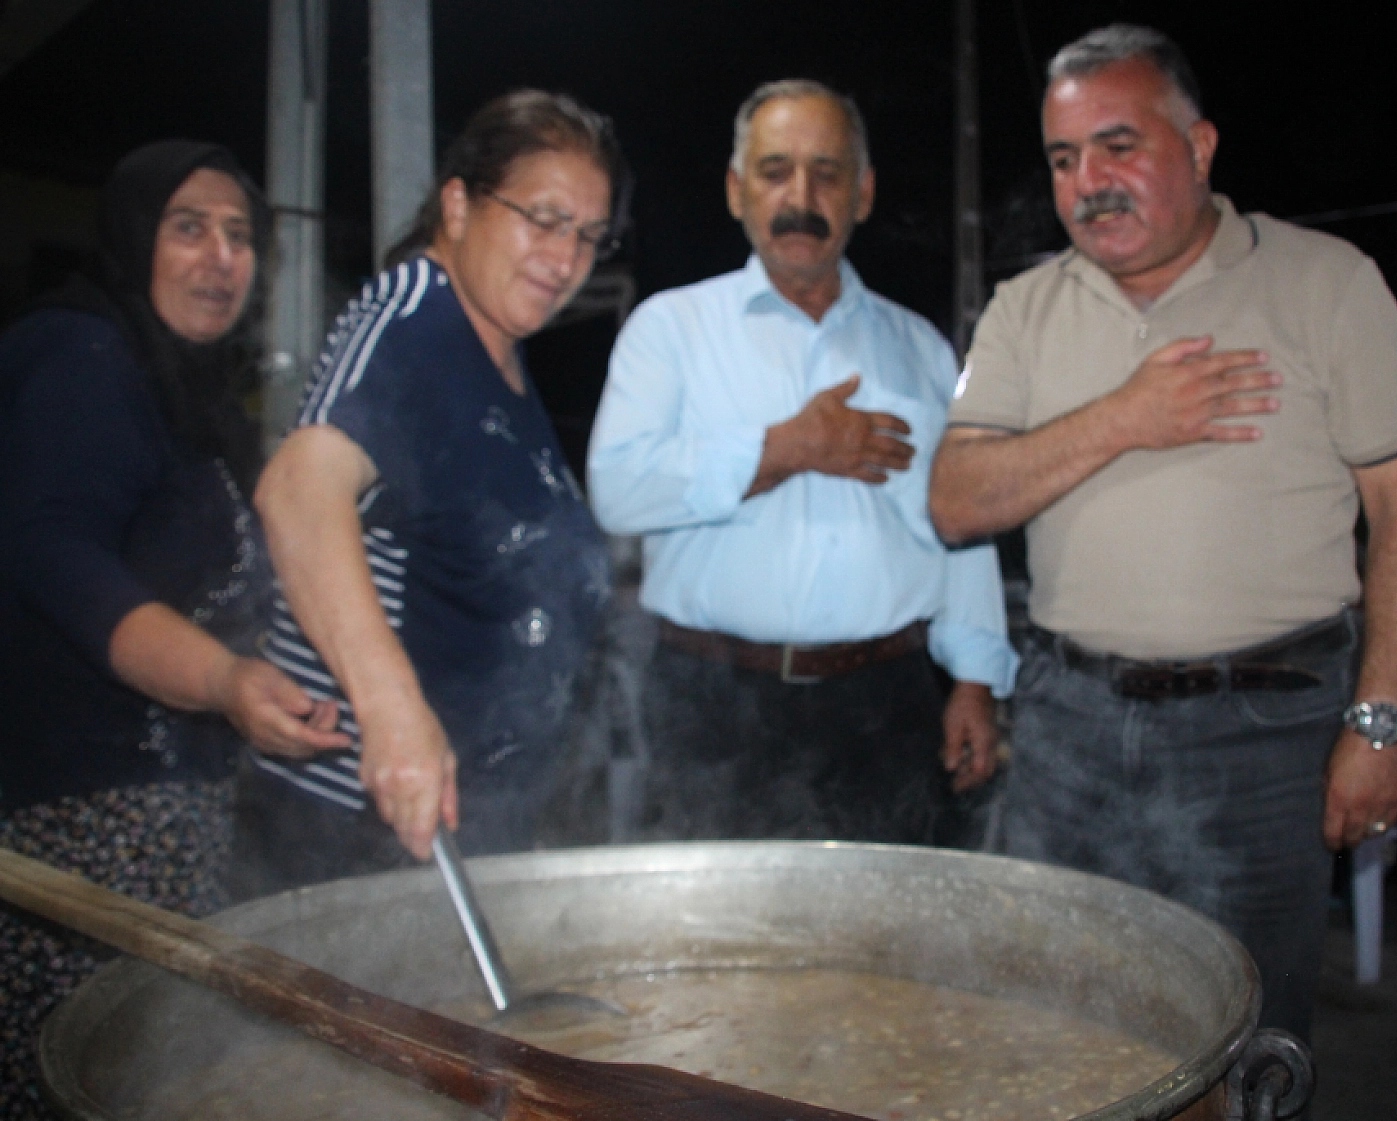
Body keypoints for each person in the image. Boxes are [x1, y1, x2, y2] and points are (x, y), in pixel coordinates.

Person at [928, 24, 1397, 1041]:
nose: (1087, 181)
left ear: (1199, 147)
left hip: (1260, 730)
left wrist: (1377, 724)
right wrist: (1123, 417)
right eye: (1063, 158)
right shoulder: (1024, 309)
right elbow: (955, 498)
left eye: (1117, 145)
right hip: (1068, 725)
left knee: (1239, 1033)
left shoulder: (1326, 281)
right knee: (1051, 1022)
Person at [0, 141, 345, 1120]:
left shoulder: (181, 393)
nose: (220, 257)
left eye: (239, 235)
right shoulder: (81, 353)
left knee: (155, 1078)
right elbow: (55, 557)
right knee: (80, 1076)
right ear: (131, 235)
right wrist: (226, 681)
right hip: (74, 822)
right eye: (188, 227)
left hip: (165, 809)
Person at [587, 80, 1016, 843]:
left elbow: (962, 525)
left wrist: (976, 678)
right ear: (735, 189)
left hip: (888, 704)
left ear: (864, 193)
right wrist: (785, 449)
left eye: (827, 172)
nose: (801, 196)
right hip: (714, 700)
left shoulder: (919, 346)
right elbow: (618, 489)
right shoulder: (671, 330)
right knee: (718, 943)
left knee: (885, 943)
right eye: (775, 170)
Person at [233, 91, 621, 896]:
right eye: (542, 219)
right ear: (457, 204)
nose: (565, 258)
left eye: (587, 235)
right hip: (360, 834)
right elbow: (298, 490)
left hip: (465, 829)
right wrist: (393, 712)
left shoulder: (499, 352)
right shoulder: (415, 319)